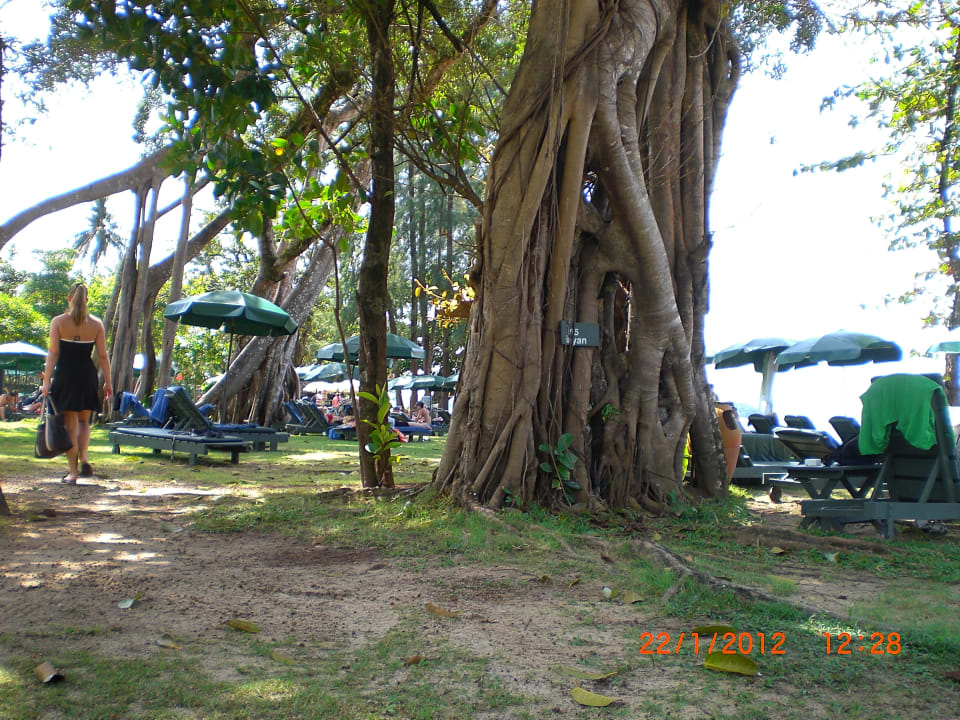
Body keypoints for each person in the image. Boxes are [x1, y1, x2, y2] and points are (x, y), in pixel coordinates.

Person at [42, 283, 113, 484]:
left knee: (70, 426)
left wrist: (46, 382)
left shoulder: (58, 322)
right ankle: (84, 458)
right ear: (87, 300)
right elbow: (103, 355)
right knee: (84, 422)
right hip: (87, 376)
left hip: (66, 376)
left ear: (69, 298)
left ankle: (73, 473)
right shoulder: (96, 324)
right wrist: (108, 382)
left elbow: (53, 353)